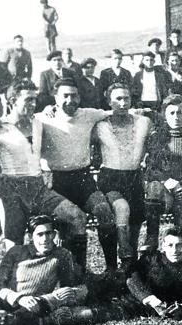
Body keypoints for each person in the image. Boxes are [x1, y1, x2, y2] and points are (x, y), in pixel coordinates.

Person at [33, 78, 124, 270]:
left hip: (83, 178)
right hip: (55, 179)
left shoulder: (89, 114)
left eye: (74, 95)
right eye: (65, 96)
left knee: (104, 211)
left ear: (80, 97)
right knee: (73, 222)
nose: (70, 100)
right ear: (55, 98)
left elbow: (117, 110)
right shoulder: (43, 118)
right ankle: (79, 271)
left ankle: (111, 269)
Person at [0, 80, 89, 268]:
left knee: (77, 216)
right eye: (28, 99)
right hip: (12, 191)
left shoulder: (39, 121)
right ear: (12, 100)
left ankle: (76, 272)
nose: (33, 104)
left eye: (35, 99)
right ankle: (14, 287)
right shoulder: (1, 127)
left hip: (39, 188)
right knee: (14, 244)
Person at [0, 215, 89, 325]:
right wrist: (19, 298)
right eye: (40, 235)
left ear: (54, 234)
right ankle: (8, 318)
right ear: (30, 237)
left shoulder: (61, 255)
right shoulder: (16, 252)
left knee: (66, 293)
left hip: (37, 304)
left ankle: (13, 320)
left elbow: (69, 285)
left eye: (48, 233)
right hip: (6, 300)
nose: (45, 239)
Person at [92, 82, 152, 264]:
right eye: (118, 99)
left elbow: (168, 124)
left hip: (134, 177)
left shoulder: (143, 122)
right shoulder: (100, 125)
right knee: (120, 210)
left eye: (126, 98)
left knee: (134, 225)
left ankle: (129, 267)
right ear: (109, 102)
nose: (123, 103)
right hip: (110, 177)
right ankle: (111, 265)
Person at [143, 94, 182, 251]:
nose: (176, 117)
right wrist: (171, 183)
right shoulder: (158, 137)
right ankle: (151, 241)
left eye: (180, 112)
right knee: (153, 187)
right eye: (171, 113)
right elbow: (151, 168)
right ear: (165, 115)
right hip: (167, 194)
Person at [125, 226, 182, 321]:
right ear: (163, 246)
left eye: (179, 245)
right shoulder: (152, 258)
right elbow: (132, 277)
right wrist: (149, 298)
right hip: (130, 302)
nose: (174, 250)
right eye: (170, 245)